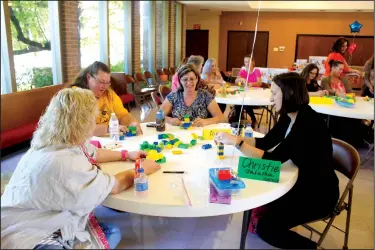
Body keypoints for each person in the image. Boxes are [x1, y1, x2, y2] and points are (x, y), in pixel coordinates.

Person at [0, 88, 161, 249]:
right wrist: (143, 169)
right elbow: (114, 186)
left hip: (23, 216)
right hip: (27, 234)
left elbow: (95, 152)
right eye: (93, 117)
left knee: (111, 232)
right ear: (82, 121)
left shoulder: (54, 141)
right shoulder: (65, 161)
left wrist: (126, 154)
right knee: (108, 234)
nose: (95, 121)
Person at [215, 72, 339, 249]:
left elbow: (274, 159)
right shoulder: (290, 116)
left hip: (318, 193)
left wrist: (237, 142)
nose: (271, 99)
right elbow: (266, 142)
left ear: (289, 93)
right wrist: (234, 138)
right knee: (257, 198)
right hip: (300, 180)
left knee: (266, 228)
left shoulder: (308, 123)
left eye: (274, 93)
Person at [71, 61, 142, 136]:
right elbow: (79, 129)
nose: (104, 87)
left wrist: (132, 123)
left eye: (107, 83)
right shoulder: (75, 96)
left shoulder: (109, 94)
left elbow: (122, 115)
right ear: (88, 77)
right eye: (101, 82)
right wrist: (109, 128)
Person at [231, 55, 262, 128]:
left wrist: (252, 84)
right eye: (245, 62)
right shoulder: (243, 71)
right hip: (246, 93)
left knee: (245, 103)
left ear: (253, 62)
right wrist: (241, 79)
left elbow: (259, 82)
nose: (247, 63)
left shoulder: (256, 71)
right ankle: (237, 121)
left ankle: (253, 119)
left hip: (255, 95)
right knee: (238, 103)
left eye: (249, 61)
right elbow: (236, 81)